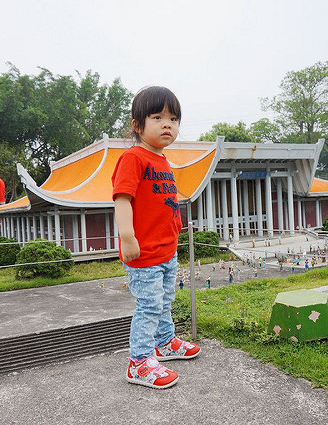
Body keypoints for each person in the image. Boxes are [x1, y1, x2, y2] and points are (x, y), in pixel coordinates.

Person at [112, 86, 200, 390]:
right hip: (143, 252)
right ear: (138, 125)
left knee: (165, 301)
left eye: (173, 118)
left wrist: (175, 230)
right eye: (158, 116)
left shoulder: (164, 162)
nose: (168, 124)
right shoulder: (133, 158)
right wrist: (127, 237)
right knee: (149, 305)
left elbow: (166, 203)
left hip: (167, 250)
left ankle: (164, 343)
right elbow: (122, 200)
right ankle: (138, 362)